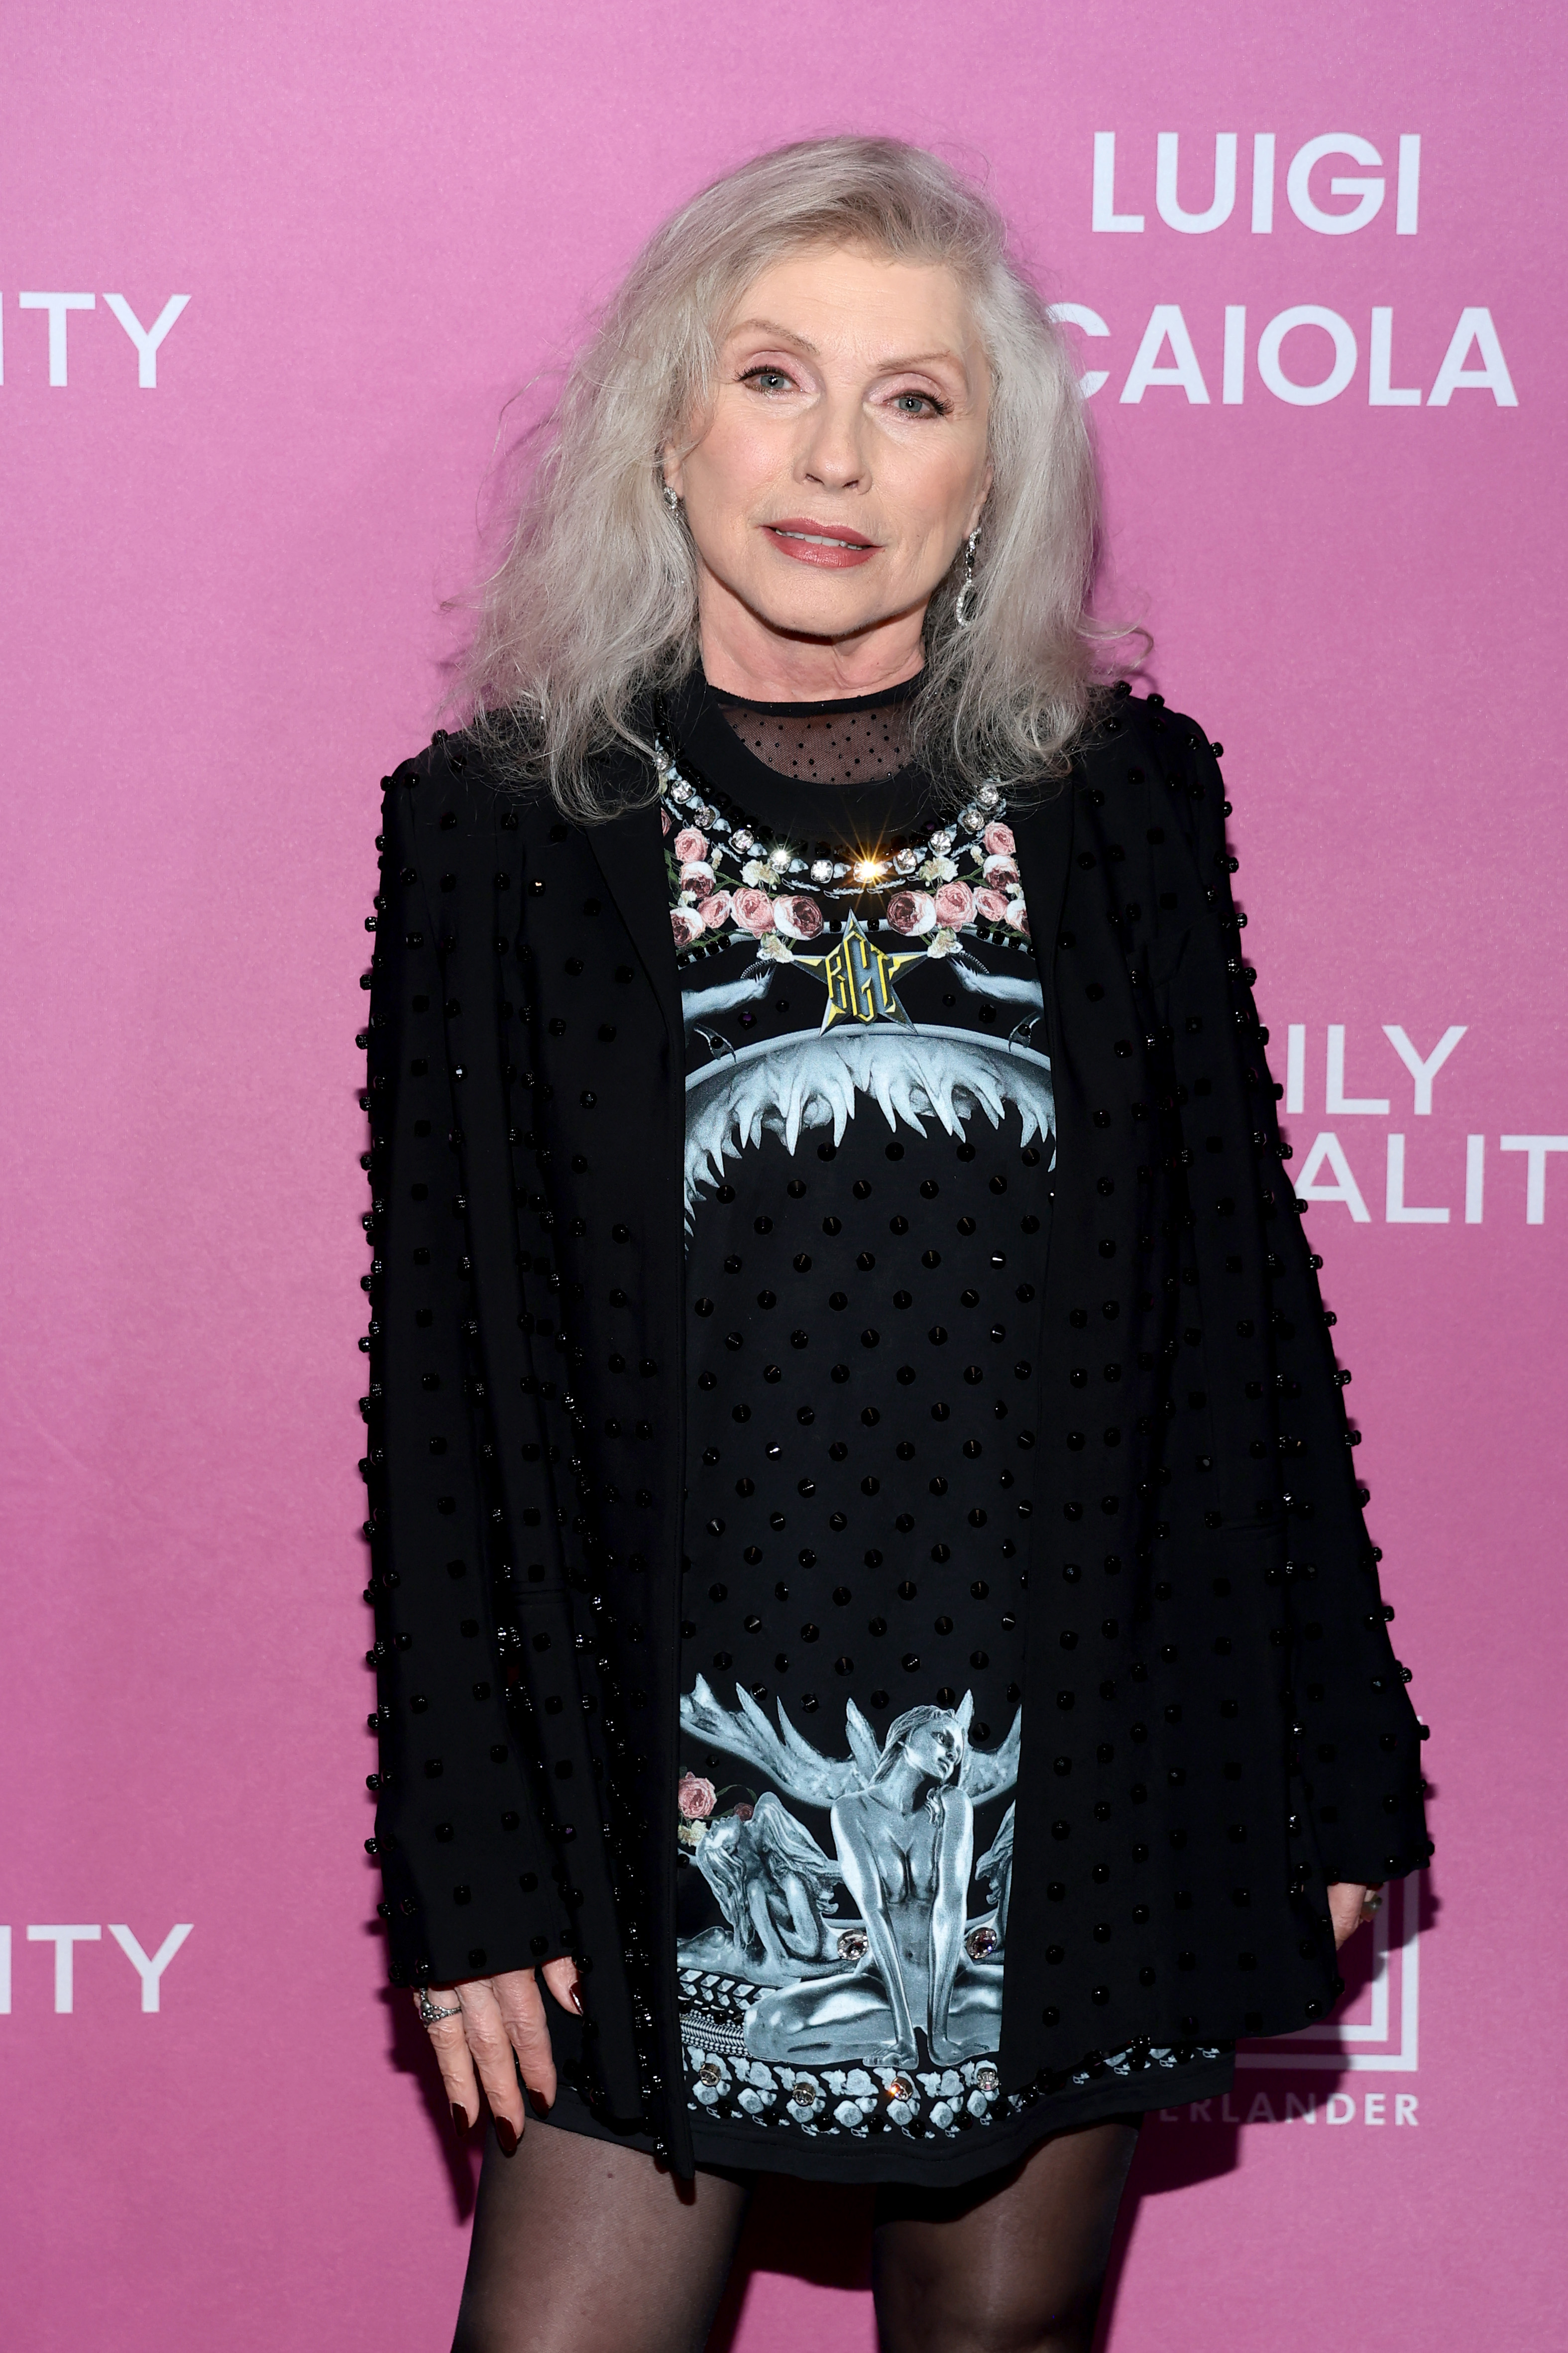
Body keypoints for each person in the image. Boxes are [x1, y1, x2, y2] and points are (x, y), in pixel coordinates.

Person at [357, 136, 1431, 2353]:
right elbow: (448, 1394)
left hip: (1068, 1785)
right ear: (668, 427)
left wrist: (1338, 1760)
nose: (833, 454)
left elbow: (1244, 1311)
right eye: (772, 377)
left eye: (915, 402)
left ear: (988, 484)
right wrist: (468, 1888)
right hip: (656, 1820)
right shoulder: (495, 829)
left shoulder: (1120, 806)